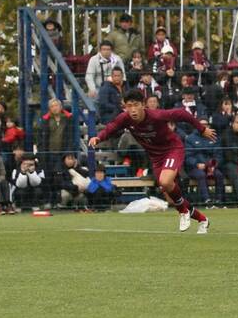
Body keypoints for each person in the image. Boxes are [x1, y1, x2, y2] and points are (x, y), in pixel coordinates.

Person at [89, 89, 215, 232]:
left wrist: (202, 129)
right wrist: (98, 137)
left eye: (135, 105)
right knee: (168, 190)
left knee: (166, 182)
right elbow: (111, 127)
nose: (132, 109)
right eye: (128, 106)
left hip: (172, 149)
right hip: (156, 157)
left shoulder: (156, 115)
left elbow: (182, 113)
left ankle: (183, 211)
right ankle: (202, 220)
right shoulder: (125, 118)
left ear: (143, 105)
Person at [183, 118, 224, 206]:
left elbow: (219, 154)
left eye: (206, 125)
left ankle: (219, 200)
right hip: (195, 168)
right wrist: (196, 164)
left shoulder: (214, 137)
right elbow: (188, 156)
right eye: (201, 125)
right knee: (201, 174)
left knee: (219, 175)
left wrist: (214, 164)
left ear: (209, 126)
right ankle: (207, 200)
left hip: (211, 167)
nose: (203, 127)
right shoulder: (190, 138)